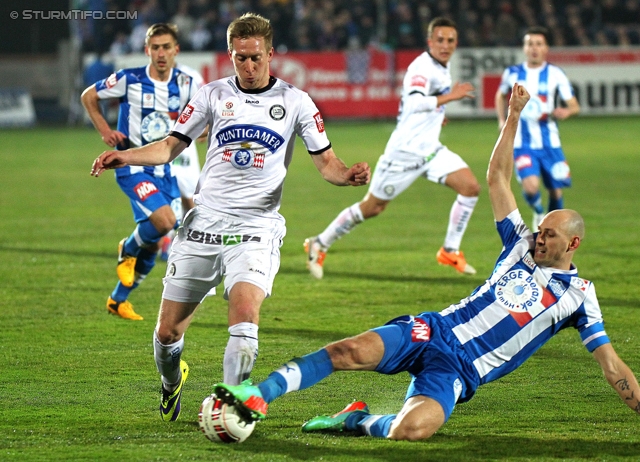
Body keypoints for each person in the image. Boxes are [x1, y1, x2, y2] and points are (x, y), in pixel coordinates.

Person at [212, 83, 640, 441]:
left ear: (574, 243)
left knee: (411, 430)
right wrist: (513, 114)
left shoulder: (580, 298)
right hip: (433, 329)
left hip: (460, 370)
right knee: (347, 351)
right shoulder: (519, 244)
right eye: (541, 230)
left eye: (549, 234)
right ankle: (258, 394)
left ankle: (356, 419)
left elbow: (612, 365)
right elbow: (496, 178)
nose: (540, 238)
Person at [89, 13, 371, 422]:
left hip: (257, 226)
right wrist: (124, 156)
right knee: (167, 334)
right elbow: (170, 146)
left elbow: (326, 162)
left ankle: (228, 407)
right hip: (203, 223)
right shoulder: (210, 95)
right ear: (230, 55)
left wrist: (347, 176)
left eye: (256, 58)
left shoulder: (296, 101)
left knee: (244, 312)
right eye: (241, 59)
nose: (249, 67)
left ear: (270, 53)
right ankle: (171, 382)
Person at [304, 17, 480, 280]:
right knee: (372, 207)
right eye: (440, 40)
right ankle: (319, 242)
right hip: (404, 153)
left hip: (430, 150)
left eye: (450, 40)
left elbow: (423, 106)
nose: (445, 45)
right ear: (430, 42)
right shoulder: (422, 67)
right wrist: (449, 98)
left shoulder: (441, 66)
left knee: (470, 188)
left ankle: (450, 250)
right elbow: (415, 103)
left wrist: (438, 112)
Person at [82, 23, 200, 321]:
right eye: (155, 47)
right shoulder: (129, 79)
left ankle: (118, 299)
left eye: (166, 47)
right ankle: (128, 247)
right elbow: (89, 96)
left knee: (159, 236)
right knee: (166, 221)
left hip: (164, 167)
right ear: (147, 50)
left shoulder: (187, 84)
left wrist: (204, 129)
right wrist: (106, 131)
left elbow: (203, 118)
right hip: (131, 164)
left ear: (176, 50)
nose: (161, 53)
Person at [495, 26, 580, 231]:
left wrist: (566, 112)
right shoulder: (513, 73)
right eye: (530, 44)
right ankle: (538, 211)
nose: (534, 48)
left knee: (556, 192)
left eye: (539, 44)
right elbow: (500, 95)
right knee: (531, 187)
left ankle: (550, 229)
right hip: (522, 142)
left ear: (546, 48)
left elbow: (574, 105)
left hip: (550, 142)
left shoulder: (555, 74)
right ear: (524, 48)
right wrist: (501, 119)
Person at [158, 62, 206, 261]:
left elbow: (206, 102)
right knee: (165, 190)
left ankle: (198, 239)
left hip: (184, 139)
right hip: (159, 139)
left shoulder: (190, 76)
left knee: (191, 196)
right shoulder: (147, 78)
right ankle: (166, 241)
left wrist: (205, 125)